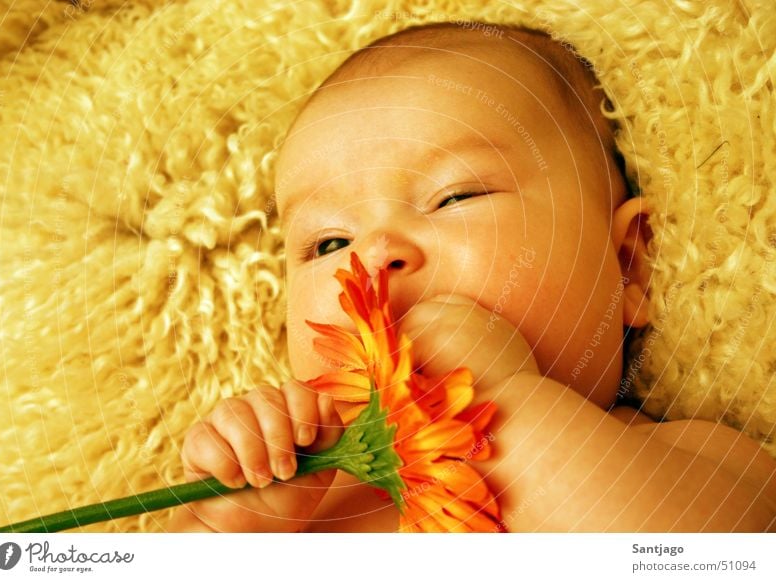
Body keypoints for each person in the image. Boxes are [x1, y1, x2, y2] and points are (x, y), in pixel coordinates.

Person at [168, 22, 776, 532]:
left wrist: (491, 400)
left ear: (628, 265)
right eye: (330, 242)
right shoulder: (312, 509)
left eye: (454, 197)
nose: (377, 252)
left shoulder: (698, 462)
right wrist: (224, 525)